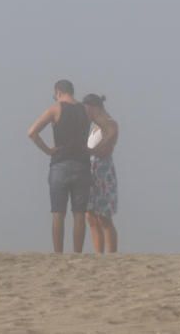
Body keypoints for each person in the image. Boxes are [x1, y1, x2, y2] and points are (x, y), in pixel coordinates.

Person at [28, 79, 94, 253]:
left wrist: (48, 150)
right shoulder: (86, 110)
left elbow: (32, 132)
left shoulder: (55, 109)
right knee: (79, 213)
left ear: (58, 92)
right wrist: (96, 148)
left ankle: (58, 253)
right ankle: (77, 253)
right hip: (81, 164)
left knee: (58, 212)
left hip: (60, 164)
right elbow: (109, 129)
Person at [83, 93, 119, 253]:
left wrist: (88, 151)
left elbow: (106, 149)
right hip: (89, 171)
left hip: (103, 173)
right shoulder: (93, 127)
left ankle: (111, 255)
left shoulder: (111, 124)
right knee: (90, 216)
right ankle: (99, 254)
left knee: (104, 217)